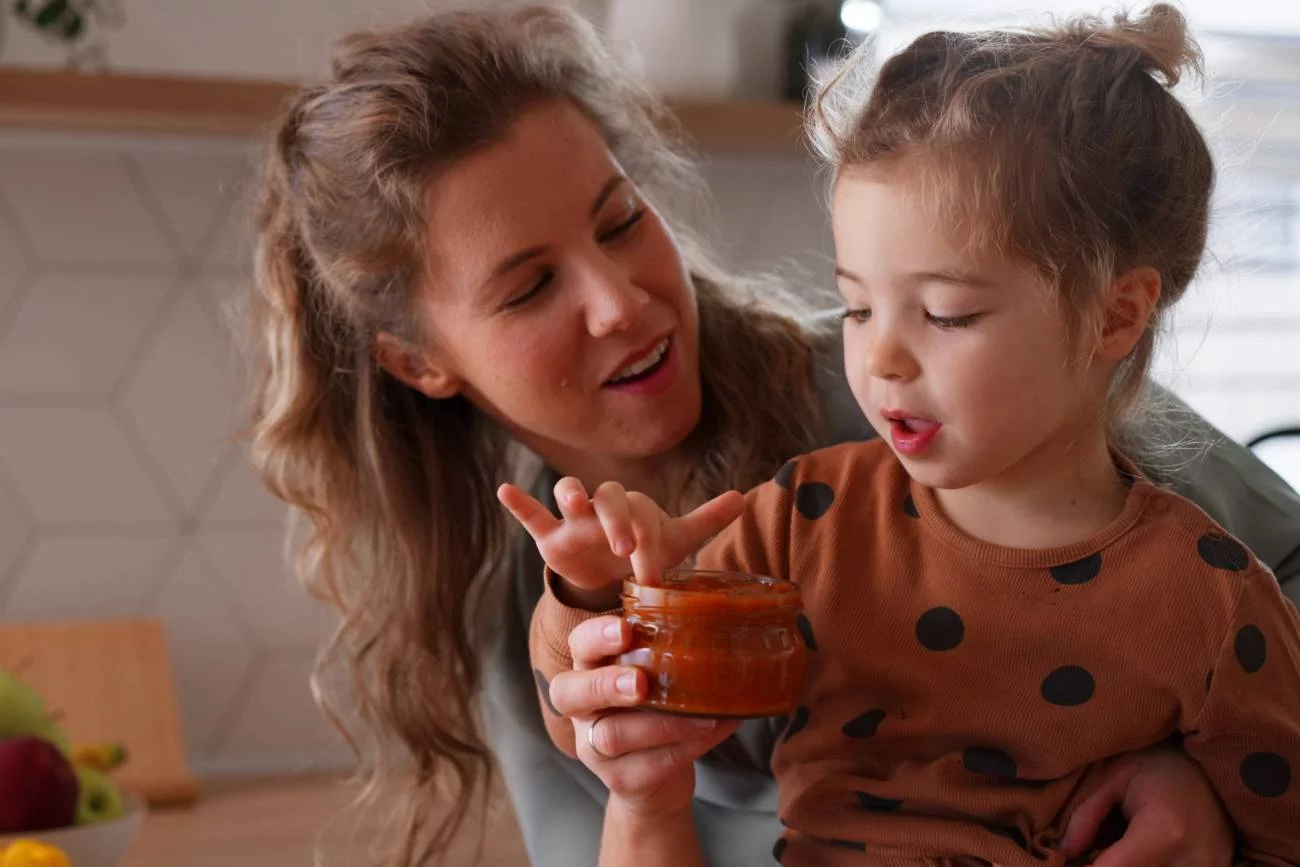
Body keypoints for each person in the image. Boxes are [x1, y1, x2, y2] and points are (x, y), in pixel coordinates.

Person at [237, 4, 1300, 865]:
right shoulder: (531, 617)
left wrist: (1198, 783)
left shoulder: (942, 402)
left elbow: (1261, 590)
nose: (622, 301)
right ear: (418, 362)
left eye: (621, 221)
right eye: (528, 290)